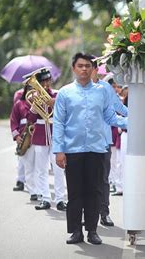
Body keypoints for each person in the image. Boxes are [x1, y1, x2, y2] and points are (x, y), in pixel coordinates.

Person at [53, 53, 127, 245]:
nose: (84, 69)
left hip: (96, 149)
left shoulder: (101, 92)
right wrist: (59, 151)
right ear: (73, 68)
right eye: (80, 66)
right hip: (73, 150)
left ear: (93, 69)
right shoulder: (65, 93)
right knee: (75, 192)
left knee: (94, 192)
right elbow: (59, 123)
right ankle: (76, 231)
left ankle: (92, 230)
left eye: (88, 66)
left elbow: (111, 117)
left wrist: (133, 121)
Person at [91, 59, 128, 227]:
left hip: (103, 142)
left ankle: (104, 213)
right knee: (85, 180)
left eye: (92, 66)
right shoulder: (72, 90)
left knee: (103, 180)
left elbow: (119, 108)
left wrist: (138, 116)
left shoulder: (105, 88)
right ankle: (87, 214)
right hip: (82, 143)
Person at [26, 68, 67, 211]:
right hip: (40, 135)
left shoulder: (57, 95)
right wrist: (33, 109)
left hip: (55, 133)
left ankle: (61, 199)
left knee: (58, 168)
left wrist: (54, 103)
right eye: (42, 81)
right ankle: (45, 198)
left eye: (47, 80)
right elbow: (30, 119)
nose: (45, 84)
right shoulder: (33, 97)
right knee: (41, 169)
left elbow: (64, 114)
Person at [10, 84, 37, 198]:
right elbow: (13, 121)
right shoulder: (19, 104)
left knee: (39, 168)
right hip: (24, 137)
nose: (32, 92)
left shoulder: (39, 104)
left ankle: (40, 190)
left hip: (38, 137)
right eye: (29, 89)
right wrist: (17, 136)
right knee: (28, 166)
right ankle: (33, 192)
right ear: (25, 90)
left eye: (34, 89)